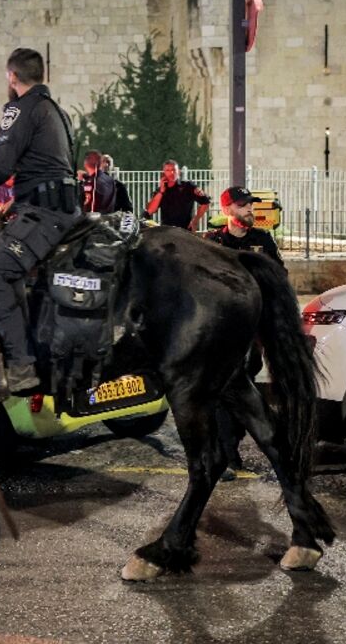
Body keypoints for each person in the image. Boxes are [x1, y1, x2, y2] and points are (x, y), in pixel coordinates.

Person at [0, 48, 80, 394]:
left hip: (45, 214)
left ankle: (21, 366)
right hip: (67, 211)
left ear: (12, 77)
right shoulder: (57, 111)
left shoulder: (20, 109)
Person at [204, 185, 282, 480]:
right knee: (228, 389)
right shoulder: (214, 243)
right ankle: (226, 451)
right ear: (227, 211)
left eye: (250, 204)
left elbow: (279, 277)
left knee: (244, 383)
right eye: (242, 205)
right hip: (222, 331)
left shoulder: (262, 240)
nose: (250, 209)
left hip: (254, 330)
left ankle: (230, 446)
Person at [145, 159, 209, 230]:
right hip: (166, 231)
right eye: (167, 170)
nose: (171, 173)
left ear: (178, 172)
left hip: (185, 231)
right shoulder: (160, 191)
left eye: (173, 170)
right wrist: (161, 192)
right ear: (163, 173)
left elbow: (205, 202)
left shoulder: (188, 186)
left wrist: (195, 220)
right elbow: (150, 210)